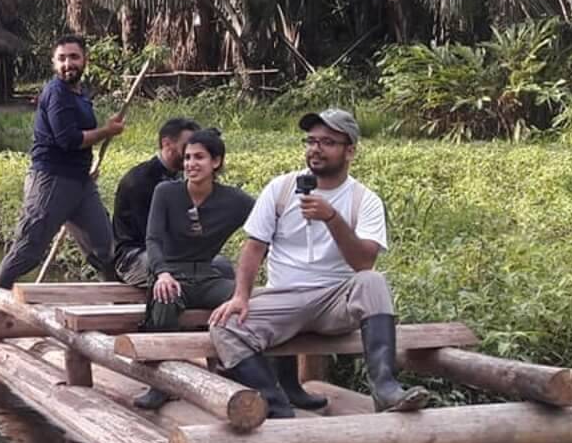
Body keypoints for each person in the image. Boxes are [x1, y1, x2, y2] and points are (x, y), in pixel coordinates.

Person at [207, 109, 431, 417]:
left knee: (373, 281)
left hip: (335, 301)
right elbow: (254, 247)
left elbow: (364, 262)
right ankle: (276, 404)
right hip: (283, 298)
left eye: (327, 142)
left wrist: (331, 218)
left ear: (350, 151)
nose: (316, 149)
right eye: (311, 141)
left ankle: (385, 388)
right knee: (225, 326)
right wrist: (241, 296)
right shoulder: (281, 189)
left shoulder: (364, 200)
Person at [129, 128, 255, 410]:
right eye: (187, 158)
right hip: (170, 273)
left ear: (216, 162)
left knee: (248, 303)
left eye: (199, 157)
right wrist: (162, 273)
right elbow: (153, 239)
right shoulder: (166, 192)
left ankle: (243, 374)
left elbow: (266, 224)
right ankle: (160, 384)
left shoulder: (234, 200)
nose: (190, 164)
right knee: (165, 298)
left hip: (207, 276)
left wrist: (245, 282)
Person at [0, 34, 125, 288]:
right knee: (28, 250)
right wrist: (107, 131)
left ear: (85, 60)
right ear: (53, 63)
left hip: (80, 184)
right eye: (61, 59)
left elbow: (79, 141)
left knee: (105, 247)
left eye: (74, 57)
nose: (67, 64)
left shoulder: (80, 94)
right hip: (51, 181)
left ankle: (115, 299)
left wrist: (85, 167)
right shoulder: (56, 93)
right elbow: (68, 140)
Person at [110, 116, 200, 289]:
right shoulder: (139, 181)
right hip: (135, 257)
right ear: (167, 144)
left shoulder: (182, 177)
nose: (191, 155)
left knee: (221, 266)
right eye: (186, 147)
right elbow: (150, 235)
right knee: (182, 272)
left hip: (170, 255)